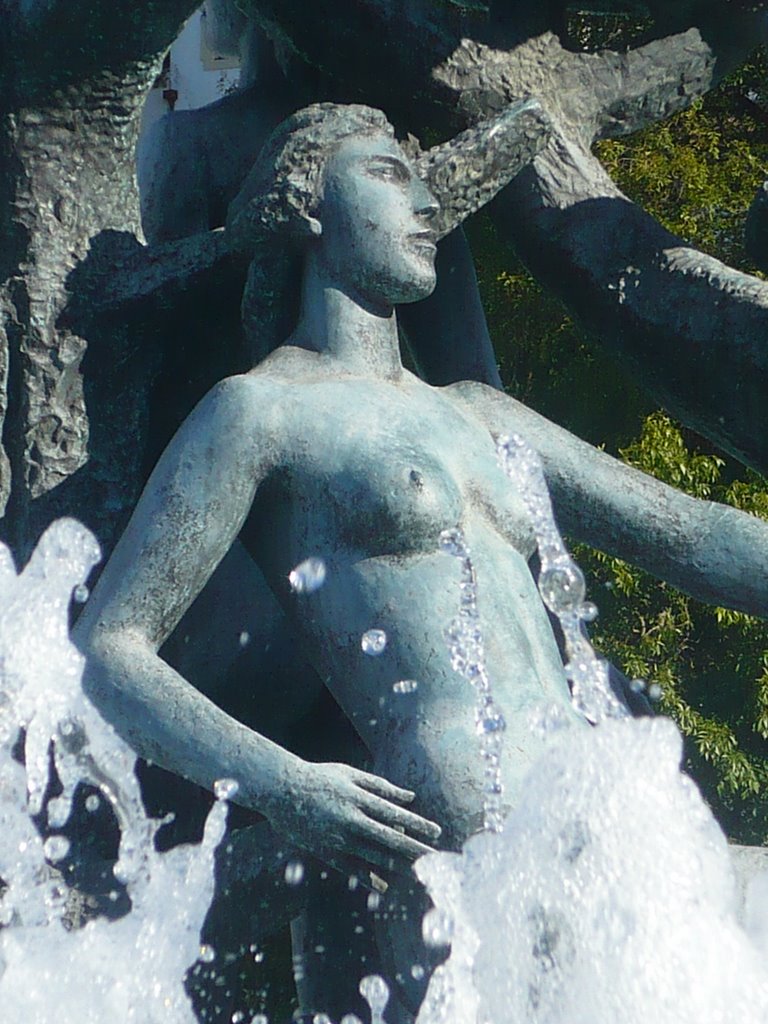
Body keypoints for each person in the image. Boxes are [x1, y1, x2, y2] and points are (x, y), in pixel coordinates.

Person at [75, 102, 768, 1020]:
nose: (428, 202)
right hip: (474, 857)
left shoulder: (482, 414)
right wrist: (285, 784)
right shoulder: (258, 414)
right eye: (390, 175)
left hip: (612, 822)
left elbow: (690, 533)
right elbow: (110, 650)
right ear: (306, 205)